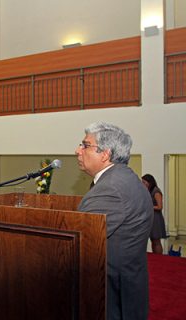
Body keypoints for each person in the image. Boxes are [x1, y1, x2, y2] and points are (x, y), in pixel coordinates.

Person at [76, 122, 153, 320]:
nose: (78, 150)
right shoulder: (125, 178)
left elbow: (78, 237)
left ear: (105, 154)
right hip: (126, 282)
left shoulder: (111, 188)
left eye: (85, 145)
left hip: (111, 293)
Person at [142, 174, 167, 254]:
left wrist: (148, 206)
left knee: (156, 240)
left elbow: (159, 207)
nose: (142, 184)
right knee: (153, 239)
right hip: (150, 217)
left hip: (156, 219)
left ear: (150, 182)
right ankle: (155, 256)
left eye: (144, 182)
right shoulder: (148, 191)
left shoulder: (156, 191)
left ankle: (159, 258)